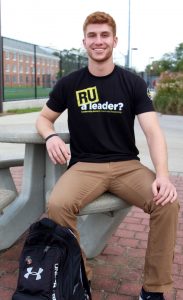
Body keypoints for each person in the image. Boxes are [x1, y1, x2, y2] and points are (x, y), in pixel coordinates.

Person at [36, 11, 179, 300]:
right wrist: (50, 135)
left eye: (104, 35)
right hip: (85, 166)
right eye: (92, 35)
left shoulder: (132, 83)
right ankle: (80, 281)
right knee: (57, 205)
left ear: (114, 41)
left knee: (168, 203)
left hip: (127, 166)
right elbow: (43, 118)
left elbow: (152, 131)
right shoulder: (70, 83)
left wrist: (163, 175)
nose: (98, 41)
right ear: (84, 41)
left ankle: (155, 290)